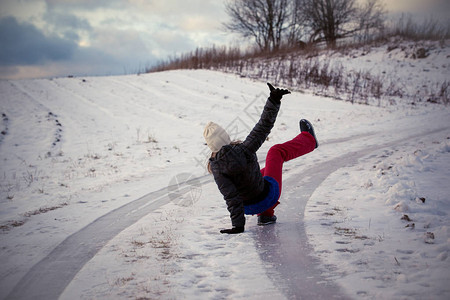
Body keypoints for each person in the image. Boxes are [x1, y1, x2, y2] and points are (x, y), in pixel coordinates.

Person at [204, 83, 318, 234]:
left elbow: (231, 197)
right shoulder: (244, 149)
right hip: (267, 197)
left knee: (261, 172)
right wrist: (274, 100)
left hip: (248, 207)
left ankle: (266, 216)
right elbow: (263, 126)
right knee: (275, 152)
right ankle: (309, 140)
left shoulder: (216, 167)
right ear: (226, 137)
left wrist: (238, 226)